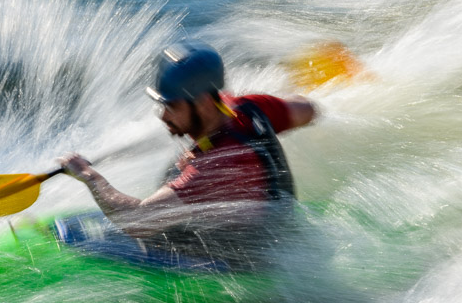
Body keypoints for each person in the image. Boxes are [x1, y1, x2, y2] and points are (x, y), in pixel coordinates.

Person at [59, 41, 316, 268]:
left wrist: (88, 176)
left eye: (171, 106)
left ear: (203, 103)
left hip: (248, 256)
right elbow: (306, 109)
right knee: (176, 167)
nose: (163, 115)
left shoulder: (218, 165)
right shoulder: (247, 108)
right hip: (276, 224)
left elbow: (137, 221)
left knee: (142, 225)